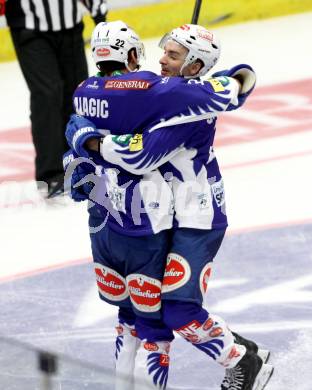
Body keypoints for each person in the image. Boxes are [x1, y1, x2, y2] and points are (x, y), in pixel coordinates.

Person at [64, 21, 273, 390]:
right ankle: (241, 349)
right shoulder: (178, 92)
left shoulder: (183, 108)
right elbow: (235, 78)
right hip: (170, 215)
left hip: (199, 218)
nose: (161, 60)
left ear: (194, 65)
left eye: (173, 55)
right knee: (153, 308)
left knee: (176, 310)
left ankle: (243, 361)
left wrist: (89, 140)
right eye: (164, 50)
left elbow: (140, 154)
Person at [4, 0, 108, 197]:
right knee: (47, 94)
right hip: (29, 26)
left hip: (71, 25)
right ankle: (51, 174)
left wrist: (99, 16)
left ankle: (78, 165)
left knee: (77, 94)